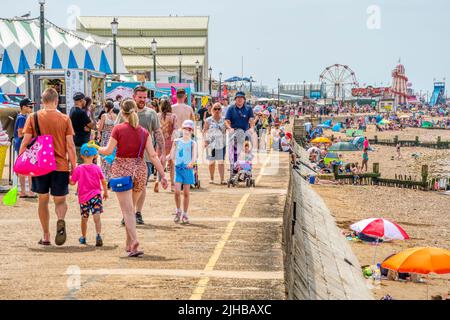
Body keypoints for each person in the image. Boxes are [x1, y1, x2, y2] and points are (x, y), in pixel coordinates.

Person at [97, 99, 168, 257]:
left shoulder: (118, 129)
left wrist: (96, 147)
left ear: (122, 113)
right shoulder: (144, 132)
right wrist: (162, 175)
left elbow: (108, 151)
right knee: (130, 209)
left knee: (127, 211)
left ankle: (134, 241)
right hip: (140, 170)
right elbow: (153, 155)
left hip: (122, 169)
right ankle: (129, 245)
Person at [20, 88, 77, 246]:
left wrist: (22, 163)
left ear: (42, 101)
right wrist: (74, 167)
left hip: (40, 166)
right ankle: (60, 219)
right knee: (60, 200)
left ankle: (46, 235)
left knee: (42, 201)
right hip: (60, 165)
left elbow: (25, 143)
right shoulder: (65, 118)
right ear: (57, 101)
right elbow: (70, 146)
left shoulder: (33, 117)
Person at [116, 86, 165, 225]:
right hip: (126, 158)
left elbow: (158, 133)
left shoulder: (151, 113)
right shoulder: (123, 113)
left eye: (145, 97)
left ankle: (137, 212)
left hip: (146, 158)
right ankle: (128, 212)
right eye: (140, 97)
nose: (143, 100)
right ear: (134, 97)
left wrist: (163, 151)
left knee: (141, 186)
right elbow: (116, 132)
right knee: (128, 187)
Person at [70, 144, 108, 247]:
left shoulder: (78, 169)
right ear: (95, 155)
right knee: (97, 217)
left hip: (83, 198)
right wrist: (105, 192)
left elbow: (72, 183)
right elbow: (103, 181)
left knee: (84, 218)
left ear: (81, 155)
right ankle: (98, 235)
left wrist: (69, 177)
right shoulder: (97, 168)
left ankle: (83, 237)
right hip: (96, 196)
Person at [169, 120, 197, 224]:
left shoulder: (193, 143)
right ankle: (178, 211)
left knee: (186, 193)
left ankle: (185, 213)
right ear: (182, 129)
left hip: (188, 170)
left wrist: (192, 162)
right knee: (176, 192)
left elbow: (194, 155)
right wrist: (169, 157)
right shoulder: (177, 141)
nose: (187, 131)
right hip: (178, 169)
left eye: (189, 129)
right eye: (185, 128)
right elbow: (172, 155)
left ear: (192, 131)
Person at [14, 98, 36, 198]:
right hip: (22, 145)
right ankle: (29, 191)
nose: (31, 108)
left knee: (23, 169)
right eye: (30, 106)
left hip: (20, 145)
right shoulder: (22, 118)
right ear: (23, 107)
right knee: (28, 168)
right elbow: (20, 133)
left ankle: (23, 191)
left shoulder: (22, 116)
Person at [155, 98, 178, 192]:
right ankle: (172, 185)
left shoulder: (157, 116)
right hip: (170, 142)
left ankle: (157, 180)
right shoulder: (173, 116)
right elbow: (176, 129)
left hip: (160, 142)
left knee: (160, 163)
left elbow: (155, 129)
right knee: (172, 163)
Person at [203, 102, 226, 184]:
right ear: (212, 109)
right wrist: (205, 141)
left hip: (221, 143)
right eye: (215, 109)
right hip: (210, 144)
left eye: (219, 109)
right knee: (211, 162)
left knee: (221, 162)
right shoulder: (208, 120)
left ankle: (222, 179)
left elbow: (226, 130)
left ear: (221, 110)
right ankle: (211, 178)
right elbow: (204, 131)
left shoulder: (224, 120)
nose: (217, 110)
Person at [70, 92, 95, 164]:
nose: (85, 102)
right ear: (81, 100)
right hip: (83, 142)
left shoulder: (72, 110)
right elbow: (92, 126)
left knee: (77, 162)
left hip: (75, 140)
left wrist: (87, 126)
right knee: (83, 163)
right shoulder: (82, 113)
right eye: (84, 100)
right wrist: (92, 113)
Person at [97, 101, 117, 182]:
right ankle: (111, 176)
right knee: (112, 156)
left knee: (103, 156)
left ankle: (105, 176)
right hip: (113, 137)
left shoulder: (104, 116)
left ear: (106, 107)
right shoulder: (115, 116)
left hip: (105, 137)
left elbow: (100, 128)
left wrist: (97, 127)